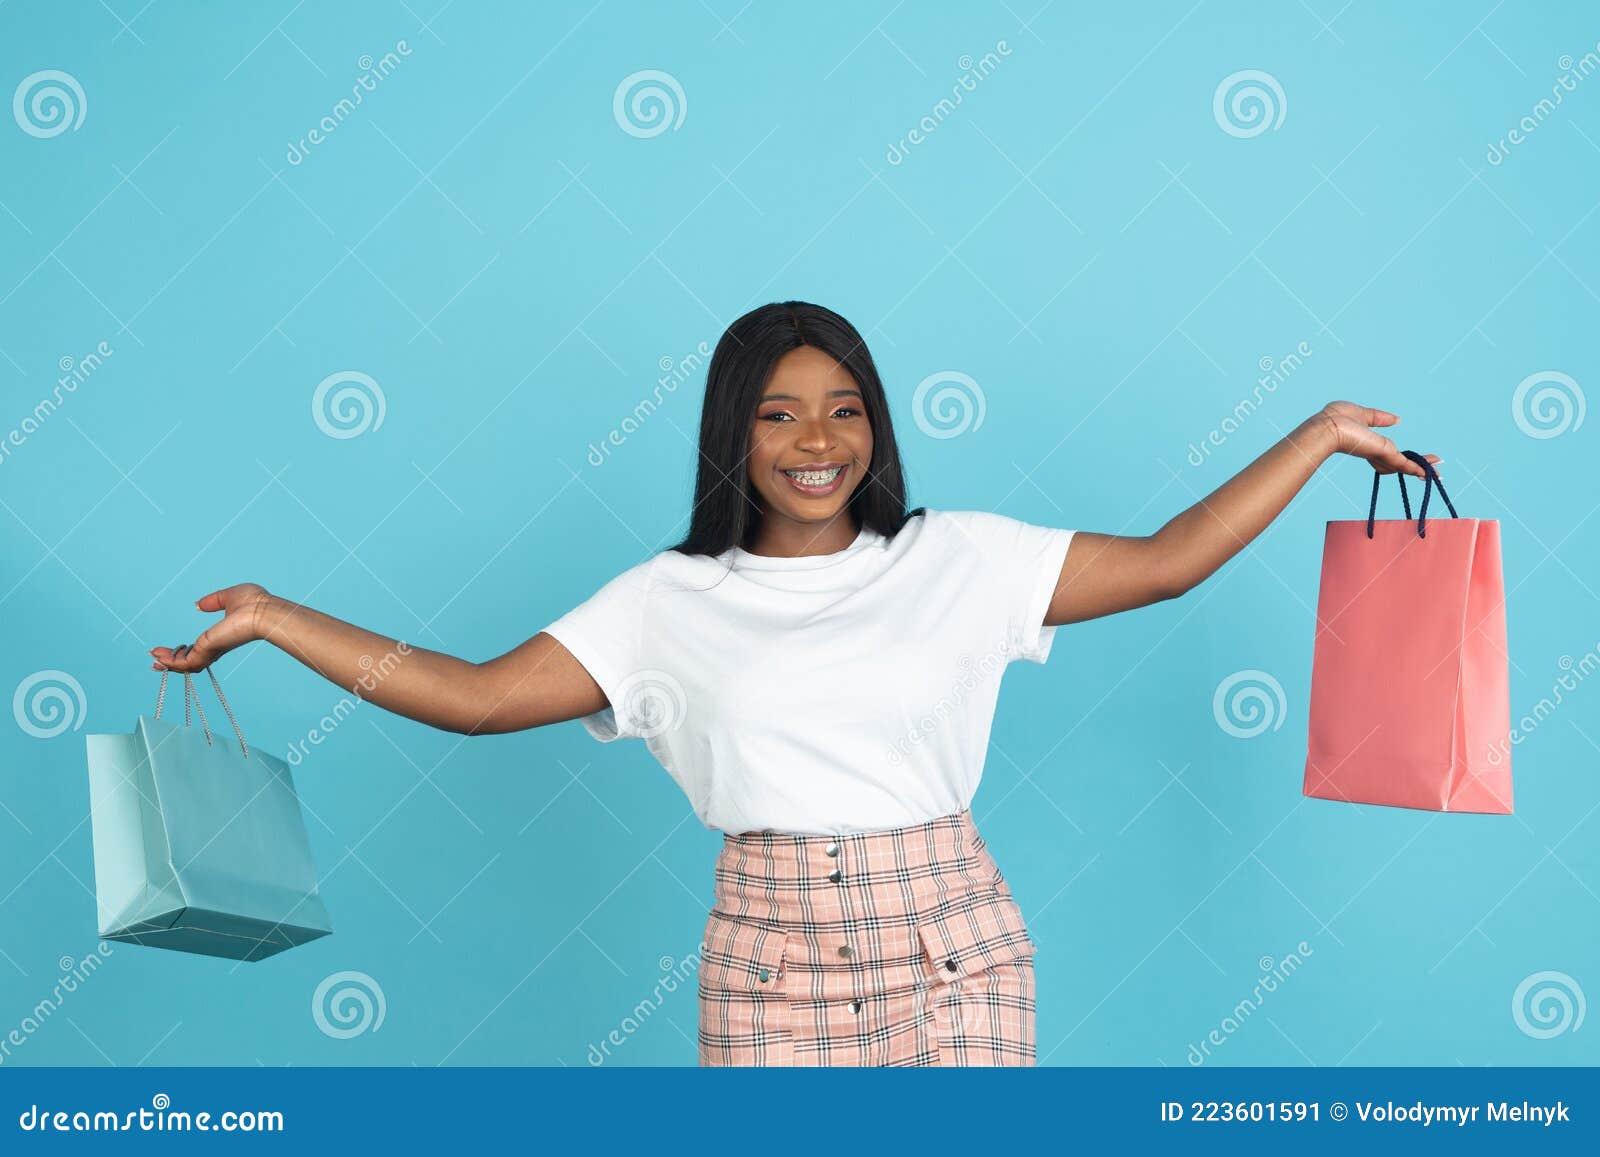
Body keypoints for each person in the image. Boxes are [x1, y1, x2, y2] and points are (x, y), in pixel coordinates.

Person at [151, 300, 1439, 1066]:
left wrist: (1318, 436)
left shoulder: (960, 559)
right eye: (778, 413)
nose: (816, 441)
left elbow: (1168, 563)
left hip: (957, 941)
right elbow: (477, 696)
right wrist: (276, 619)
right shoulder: (669, 601)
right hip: (771, 952)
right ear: (734, 431)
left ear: (876, 424)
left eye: (843, 408)